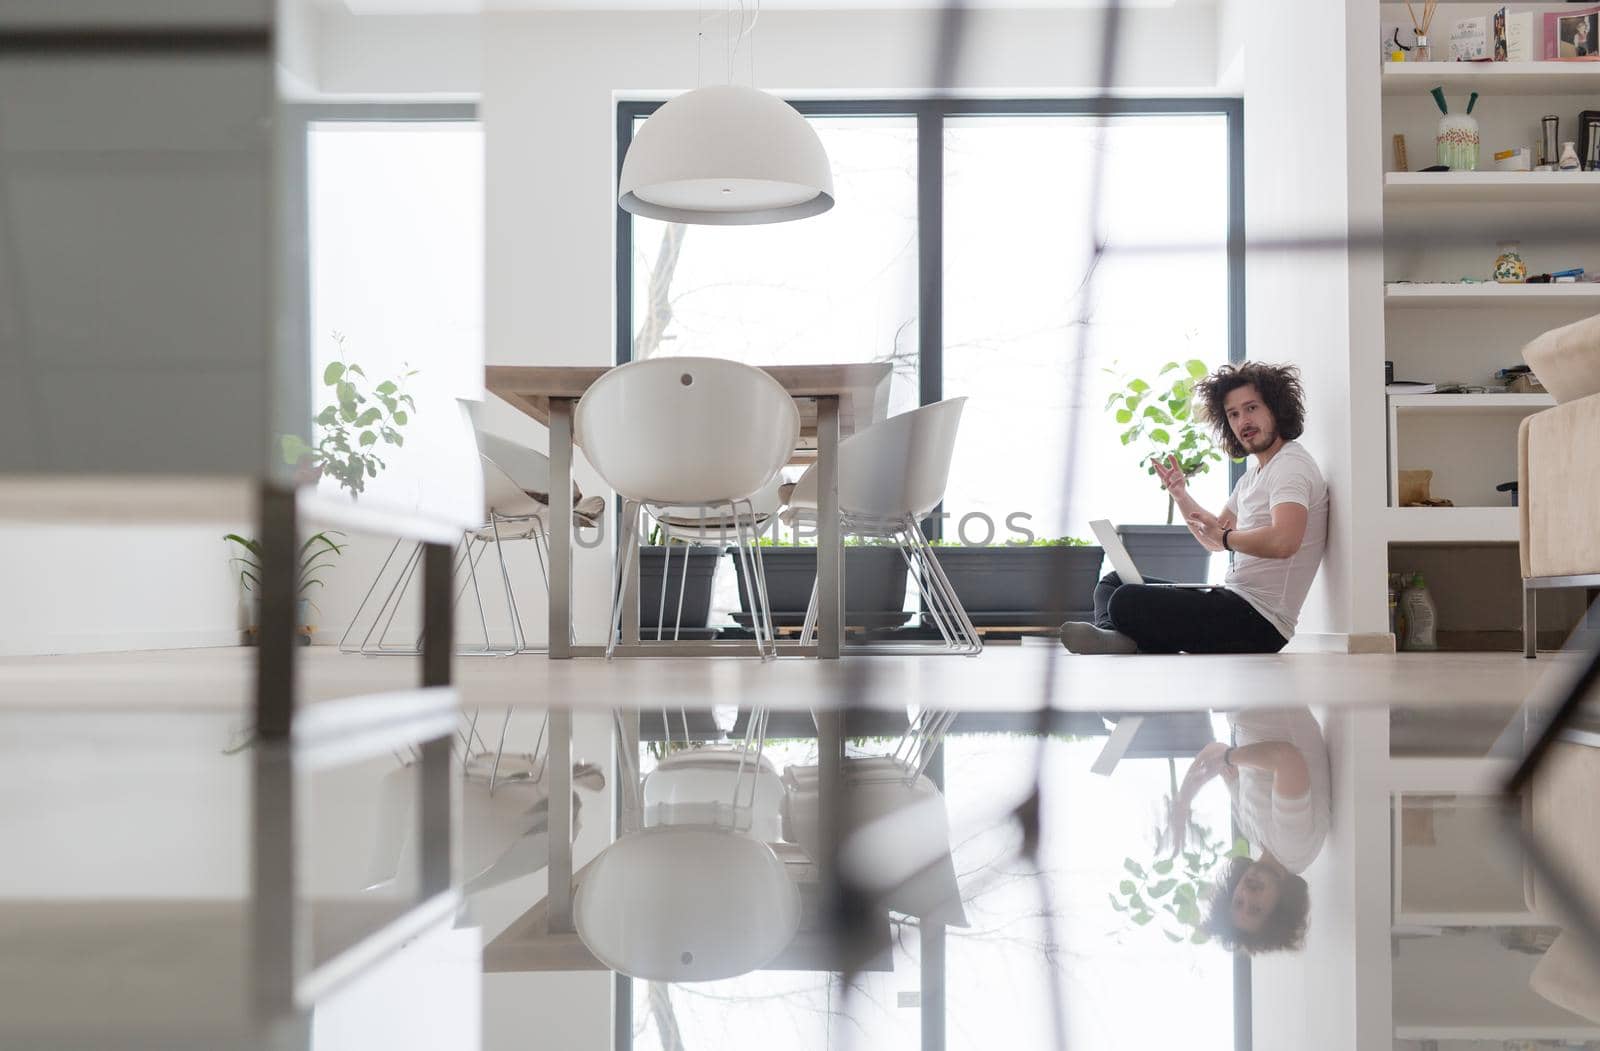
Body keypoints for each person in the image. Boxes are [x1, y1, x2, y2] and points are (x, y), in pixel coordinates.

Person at [1060, 361, 1329, 654]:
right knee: (1113, 583)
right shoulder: (1253, 476)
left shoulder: (1290, 466)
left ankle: (1122, 638)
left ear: (1276, 408)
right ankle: (1117, 638)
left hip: (1260, 622)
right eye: (1234, 414)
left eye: (1252, 408)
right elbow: (1213, 539)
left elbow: (1284, 542)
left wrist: (1225, 538)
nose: (1243, 422)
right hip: (1232, 601)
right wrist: (1181, 495)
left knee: (1126, 600)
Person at [1169, 707, 1331, 954]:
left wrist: (1182, 803)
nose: (1248, 893)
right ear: (1280, 908)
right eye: (1256, 909)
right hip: (1270, 688)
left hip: (1247, 695)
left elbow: (1216, 753)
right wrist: (1227, 758)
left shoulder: (1255, 834)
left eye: (1238, 902)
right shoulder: (1293, 845)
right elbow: (1286, 758)